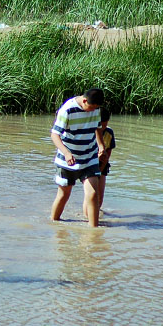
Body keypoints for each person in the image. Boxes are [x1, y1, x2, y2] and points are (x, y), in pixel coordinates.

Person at [49, 89, 105, 227]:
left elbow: (97, 128)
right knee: (63, 195)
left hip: (89, 157)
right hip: (67, 160)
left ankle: (94, 232)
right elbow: (54, 135)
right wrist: (67, 153)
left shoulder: (95, 109)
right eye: (91, 108)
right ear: (85, 101)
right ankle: (54, 224)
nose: (93, 111)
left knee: (93, 194)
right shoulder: (67, 110)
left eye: (96, 108)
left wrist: (101, 145)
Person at [97, 107, 115, 210]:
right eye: (101, 125)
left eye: (105, 124)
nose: (103, 127)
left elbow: (108, 153)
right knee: (92, 194)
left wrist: (101, 169)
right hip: (90, 163)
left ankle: (97, 214)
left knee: (100, 196)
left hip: (103, 164)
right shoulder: (90, 132)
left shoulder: (109, 133)